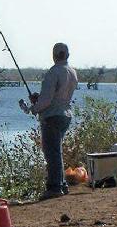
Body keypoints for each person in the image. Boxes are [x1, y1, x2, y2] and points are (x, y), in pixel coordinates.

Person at [19, 42, 78, 201]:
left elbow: (46, 101)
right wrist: (40, 101)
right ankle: (62, 185)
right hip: (65, 115)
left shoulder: (53, 72)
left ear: (53, 55)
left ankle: (54, 187)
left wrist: (33, 108)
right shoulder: (72, 72)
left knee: (51, 153)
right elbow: (57, 96)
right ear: (67, 54)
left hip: (52, 116)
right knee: (56, 151)